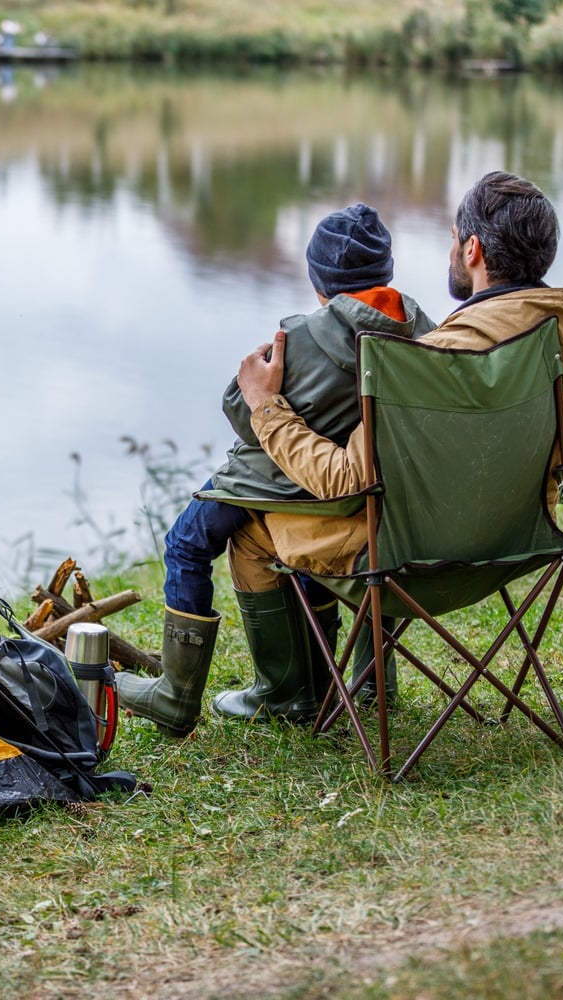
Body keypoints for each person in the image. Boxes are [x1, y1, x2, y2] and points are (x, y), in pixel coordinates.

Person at [226, 171, 563, 706]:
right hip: (521, 543)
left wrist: (266, 407)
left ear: (472, 248)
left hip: (410, 564)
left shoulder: (439, 358)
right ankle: (370, 681)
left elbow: (345, 479)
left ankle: (284, 695)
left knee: (254, 530)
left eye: (450, 238)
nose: (450, 251)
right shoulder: (562, 340)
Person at [117, 203, 435, 737]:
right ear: (386, 272)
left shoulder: (304, 338)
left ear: (318, 281)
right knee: (286, 536)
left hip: (297, 478)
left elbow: (241, 412)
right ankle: (363, 681)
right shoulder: (423, 332)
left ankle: (180, 694)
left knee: (187, 543)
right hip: (376, 493)